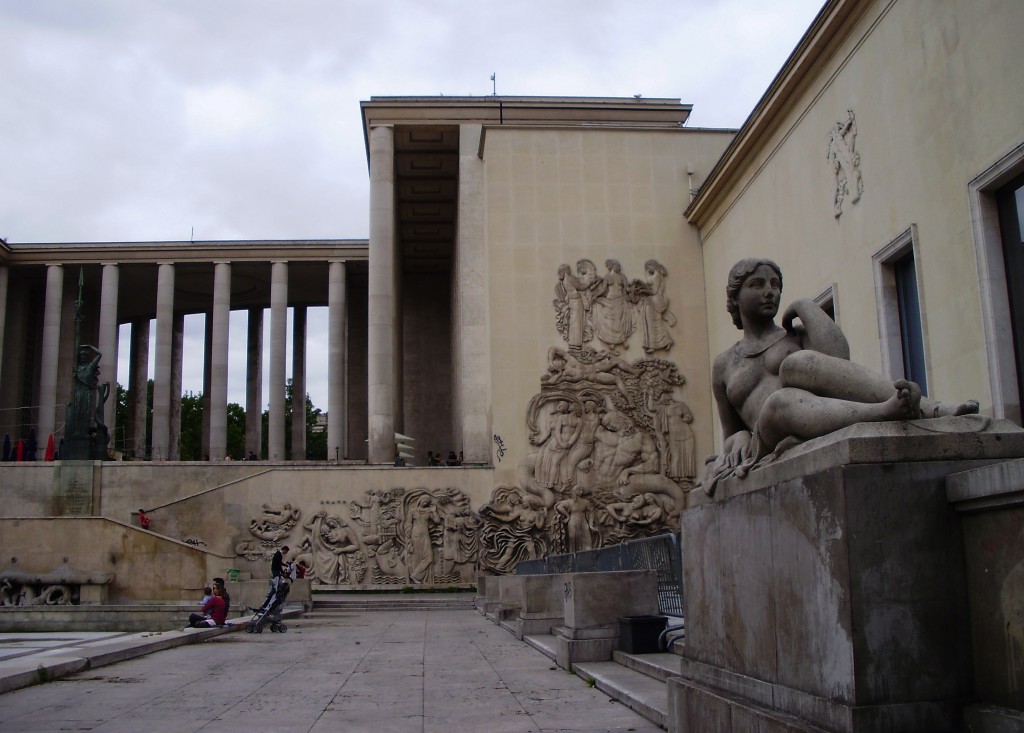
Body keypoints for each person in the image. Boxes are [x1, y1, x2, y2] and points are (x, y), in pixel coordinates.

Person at [706, 258, 978, 493]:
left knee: (796, 363)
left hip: (813, 416)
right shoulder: (724, 364)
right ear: (735, 297)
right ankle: (885, 411)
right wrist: (737, 438)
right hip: (766, 436)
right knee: (780, 401)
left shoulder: (795, 337)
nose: (770, 292)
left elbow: (838, 359)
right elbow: (730, 432)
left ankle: (931, 408)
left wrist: (804, 305)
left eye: (775, 284)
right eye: (757, 284)